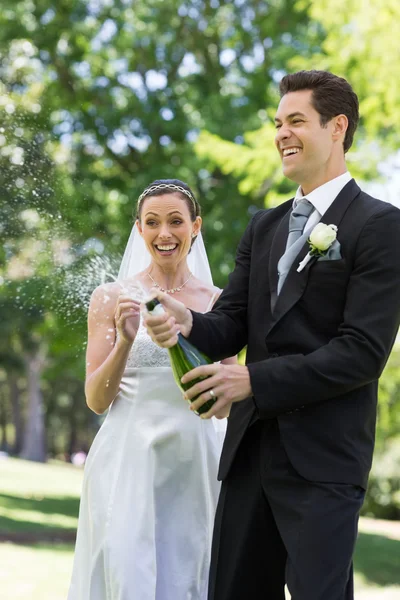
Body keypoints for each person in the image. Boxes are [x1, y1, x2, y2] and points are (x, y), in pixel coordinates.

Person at [144, 71, 400, 600]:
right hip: (249, 453)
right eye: (277, 123)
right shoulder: (263, 226)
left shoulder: (380, 226)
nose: (281, 133)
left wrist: (252, 381)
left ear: (337, 127)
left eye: (296, 121)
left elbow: (361, 354)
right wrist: (185, 321)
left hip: (324, 461)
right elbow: (230, 324)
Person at [68, 179, 235, 600]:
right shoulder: (111, 298)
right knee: (128, 572)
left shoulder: (220, 302)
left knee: (191, 572)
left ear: (195, 227)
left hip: (195, 461)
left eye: (176, 221)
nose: (165, 233)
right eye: (153, 222)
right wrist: (125, 340)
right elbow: (96, 400)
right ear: (138, 229)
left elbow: (226, 405)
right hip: (128, 459)